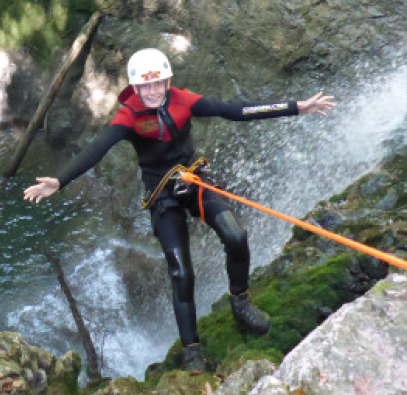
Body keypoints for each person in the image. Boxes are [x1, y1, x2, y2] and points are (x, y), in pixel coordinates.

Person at [23, 48, 336, 371]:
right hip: (162, 197)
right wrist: (59, 181)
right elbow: (97, 149)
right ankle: (192, 351)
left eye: (158, 83)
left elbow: (235, 110)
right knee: (181, 272)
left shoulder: (182, 100)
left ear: (168, 80)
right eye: (146, 87)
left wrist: (296, 107)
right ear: (135, 88)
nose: (153, 91)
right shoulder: (130, 116)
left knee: (236, 235)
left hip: (195, 181)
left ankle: (240, 301)